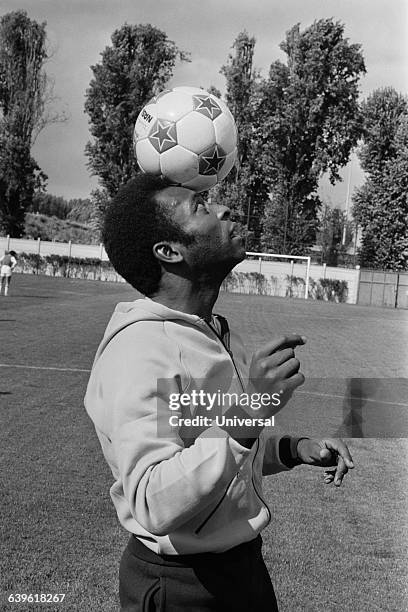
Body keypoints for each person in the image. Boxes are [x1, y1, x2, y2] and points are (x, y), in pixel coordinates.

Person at [84, 174, 354, 611]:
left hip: (242, 571)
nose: (223, 210)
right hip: (182, 589)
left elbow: (219, 451)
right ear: (170, 252)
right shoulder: (139, 351)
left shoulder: (213, 332)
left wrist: (294, 448)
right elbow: (154, 499)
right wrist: (250, 411)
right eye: (200, 208)